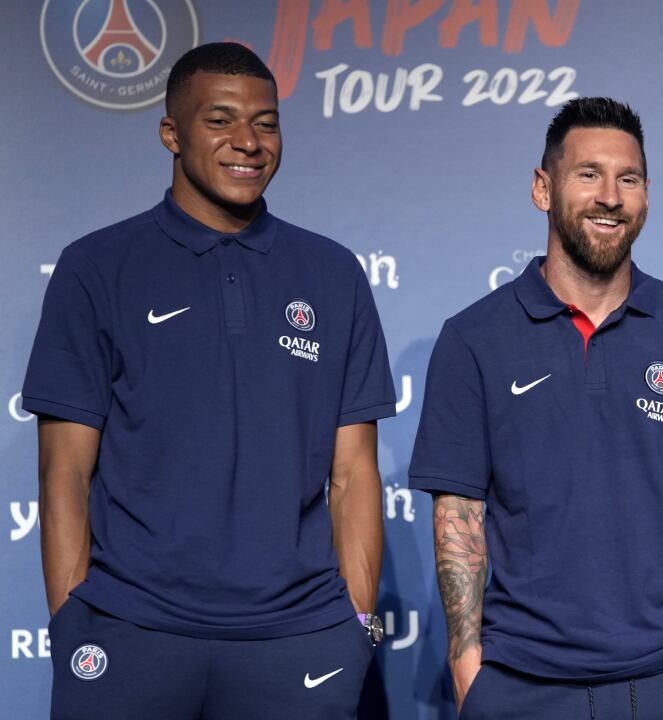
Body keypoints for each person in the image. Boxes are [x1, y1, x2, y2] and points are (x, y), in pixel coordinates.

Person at [23, 43, 395, 719]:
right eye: (220, 120)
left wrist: (358, 626)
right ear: (172, 133)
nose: (248, 142)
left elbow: (353, 475)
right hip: (129, 631)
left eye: (266, 123)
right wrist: (73, 625)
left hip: (300, 639)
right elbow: (64, 474)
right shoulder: (96, 267)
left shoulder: (333, 274)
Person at [409, 97, 663, 719]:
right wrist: (468, 666)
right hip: (526, 683)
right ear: (542, 188)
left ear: (646, 195)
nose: (610, 196)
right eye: (589, 174)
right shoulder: (474, 338)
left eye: (628, 179)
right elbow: (459, 513)